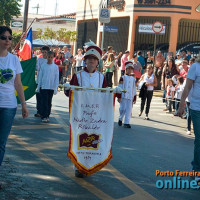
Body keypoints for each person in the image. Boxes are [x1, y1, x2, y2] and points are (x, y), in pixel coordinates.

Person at [64, 41, 107, 178]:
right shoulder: (78, 76)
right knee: (79, 138)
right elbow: (70, 94)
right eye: (89, 59)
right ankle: (77, 165)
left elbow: (106, 94)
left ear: (97, 62)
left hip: (96, 115)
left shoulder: (101, 77)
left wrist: (115, 93)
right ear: (85, 61)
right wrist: (67, 88)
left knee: (93, 139)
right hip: (80, 114)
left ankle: (88, 164)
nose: (91, 62)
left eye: (94, 60)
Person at [0, 26, 29, 187]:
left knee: (1, 143)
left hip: (9, 106)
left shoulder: (14, 59)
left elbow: (18, 83)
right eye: (3, 37)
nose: (7, 41)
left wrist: (24, 104)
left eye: (10, 38)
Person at [178, 56, 200, 183]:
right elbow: (187, 87)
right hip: (197, 107)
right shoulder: (195, 67)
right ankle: (197, 170)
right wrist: (181, 106)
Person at [36, 51, 59, 123]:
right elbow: (40, 77)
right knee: (44, 102)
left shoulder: (55, 67)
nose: (50, 58)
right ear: (47, 57)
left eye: (51, 57)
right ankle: (44, 116)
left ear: (53, 58)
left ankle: (47, 115)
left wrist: (55, 87)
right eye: (49, 57)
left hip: (51, 87)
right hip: (44, 87)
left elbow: (56, 78)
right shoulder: (43, 66)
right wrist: (38, 86)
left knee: (49, 102)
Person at [118, 61, 137, 128]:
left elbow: (134, 88)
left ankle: (126, 122)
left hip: (130, 96)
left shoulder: (133, 79)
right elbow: (119, 87)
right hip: (123, 96)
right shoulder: (122, 78)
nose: (129, 70)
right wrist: (119, 96)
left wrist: (134, 97)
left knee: (129, 109)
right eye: (128, 69)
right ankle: (120, 118)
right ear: (126, 70)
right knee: (122, 109)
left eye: (131, 69)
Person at [35, 46, 50, 117]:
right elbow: (38, 68)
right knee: (39, 97)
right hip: (39, 81)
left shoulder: (50, 61)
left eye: (45, 52)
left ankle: (45, 112)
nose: (44, 54)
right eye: (43, 52)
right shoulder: (39, 59)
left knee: (46, 98)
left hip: (47, 82)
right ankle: (39, 111)